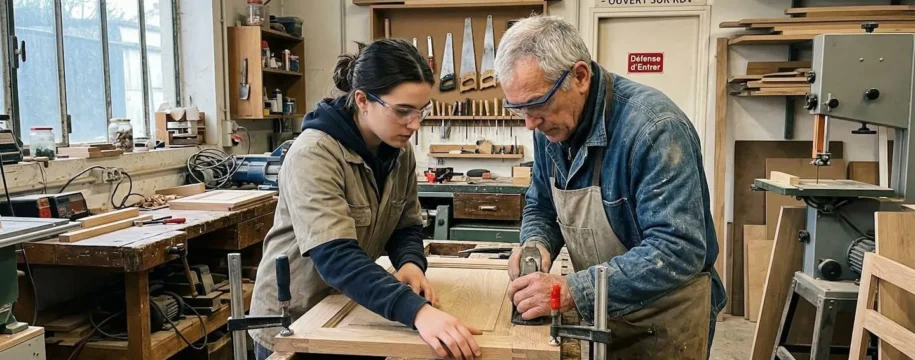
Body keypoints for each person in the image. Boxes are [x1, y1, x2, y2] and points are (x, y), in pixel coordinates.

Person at [497, 16, 727, 359]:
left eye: (536, 104)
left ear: (579, 77)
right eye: (518, 109)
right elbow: (542, 204)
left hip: (663, 320)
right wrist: (537, 244)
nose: (529, 122)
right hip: (602, 313)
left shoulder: (655, 130)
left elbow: (678, 249)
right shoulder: (550, 126)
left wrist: (574, 288)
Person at [248, 39, 482, 360]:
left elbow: (406, 226)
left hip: (349, 307)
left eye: (421, 111)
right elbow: (337, 257)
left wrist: (410, 263)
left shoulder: (399, 151)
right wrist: (417, 312)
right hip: (296, 321)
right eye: (402, 110)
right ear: (362, 100)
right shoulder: (314, 154)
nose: (414, 124)